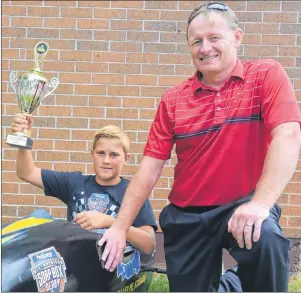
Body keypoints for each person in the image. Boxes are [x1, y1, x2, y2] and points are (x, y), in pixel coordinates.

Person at [99, 2, 301, 292]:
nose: (205, 48)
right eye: (196, 41)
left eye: (214, 38)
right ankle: (229, 284)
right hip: (188, 215)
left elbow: (289, 135)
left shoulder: (265, 75)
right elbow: (150, 168)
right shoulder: (173, 99)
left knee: (267, 238)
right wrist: (119, 227)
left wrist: (260, 204)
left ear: (237, 38)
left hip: (244, 205)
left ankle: (235, 279)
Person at [12, 114, 157, 260]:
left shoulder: (133, 192)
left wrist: (110, 222)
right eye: (101, 153)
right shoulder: (75, 182)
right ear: (92, 154)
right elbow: (27, 172)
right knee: (40, 216)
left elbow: (149, 245)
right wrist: (24, 140)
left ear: (126, 158)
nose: (106, 160)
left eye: (114, 155)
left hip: (111, 267)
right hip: (75, 262)